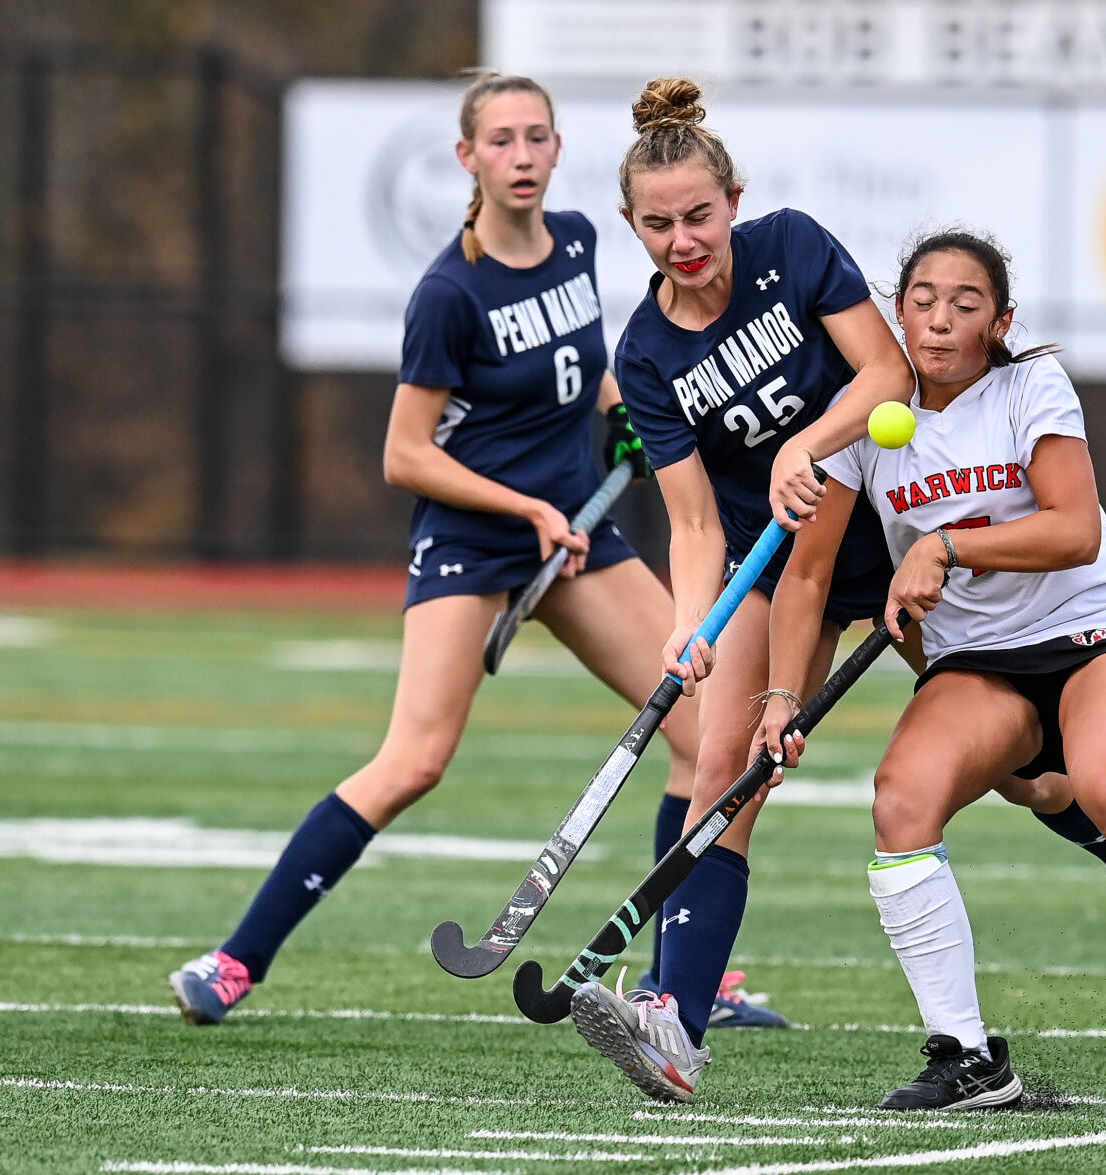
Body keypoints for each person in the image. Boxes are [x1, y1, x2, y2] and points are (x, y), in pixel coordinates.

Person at [566, 80, 1106, 1106]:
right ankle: (677, 1022)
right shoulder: (646, 353)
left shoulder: (792, 247)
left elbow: (886, 372)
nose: (683, 240)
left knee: (1033, 771)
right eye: (658, 224)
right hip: (777, 556)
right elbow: (690, 522)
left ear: (734, 201)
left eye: (698, 216)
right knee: (727, 765)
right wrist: (687, 626)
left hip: (893, 534)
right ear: (632, 225)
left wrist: (806, 445)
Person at [167, 72, 743, 1026]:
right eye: (501, 140)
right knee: (413, 760)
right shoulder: (449, 292)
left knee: (701, 727)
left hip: (576, 531)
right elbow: (403, 455)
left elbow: (583, 363)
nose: (521, 156)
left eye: (537, 138)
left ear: (559, 151)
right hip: (476, 543)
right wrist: (521, 507)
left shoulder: (583, 242)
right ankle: (233, 962)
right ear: (467, 158)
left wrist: (625, 414)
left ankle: (685, 984)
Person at [757, 229, 1106, 1110]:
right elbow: (810, 574)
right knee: (904, 798)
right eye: (922, 300)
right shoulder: (858, 419)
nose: (940, 320)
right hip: (978, 660)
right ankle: (968, 1056)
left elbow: (1074, 530)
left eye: (965, 303)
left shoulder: (1030, 385)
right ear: (895, 313)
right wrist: (779, 698)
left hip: (1088, 622)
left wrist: (945, 542)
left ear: (999, 320)